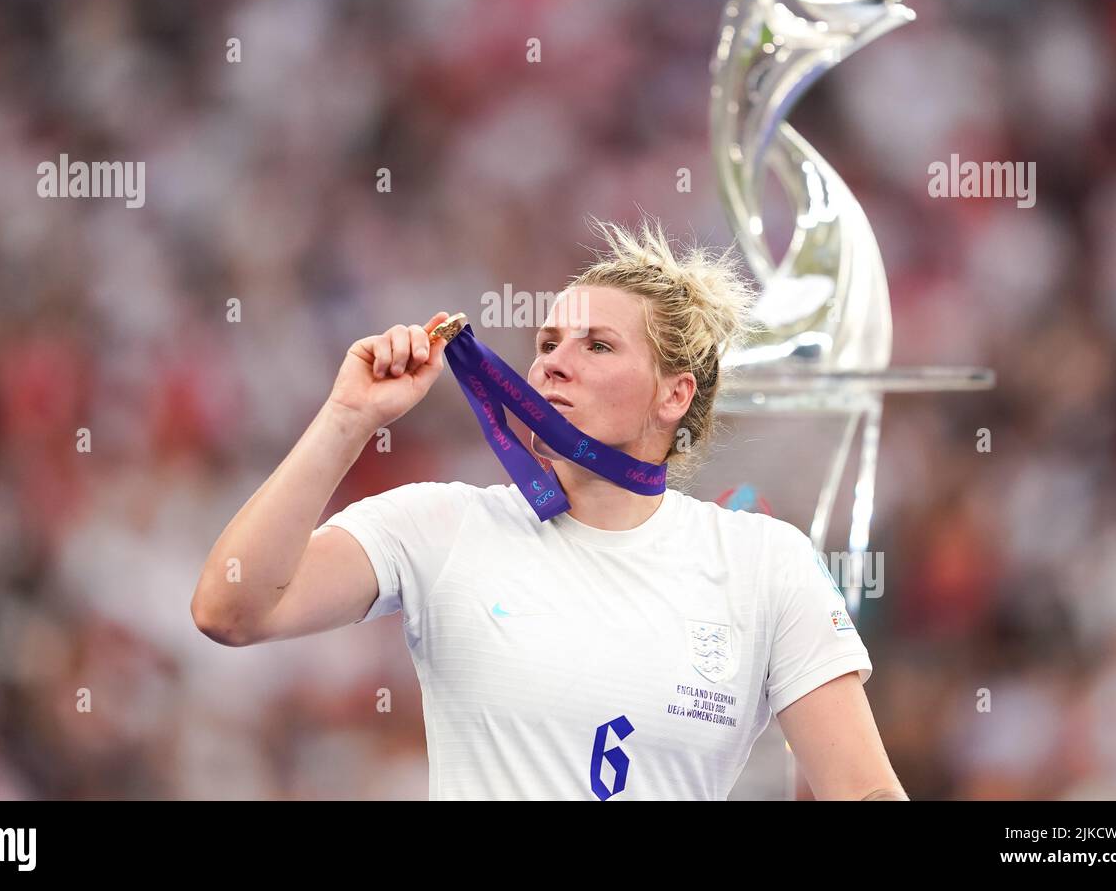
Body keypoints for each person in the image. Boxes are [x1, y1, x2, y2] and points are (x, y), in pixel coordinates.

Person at [190, 215, 907, 801]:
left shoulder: (763, 563)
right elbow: (231, 608)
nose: (553, 363)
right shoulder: (441, 525)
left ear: (674, 395)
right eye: (545, 344)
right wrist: (347, 416)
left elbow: (864, 791)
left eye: (597, 344)